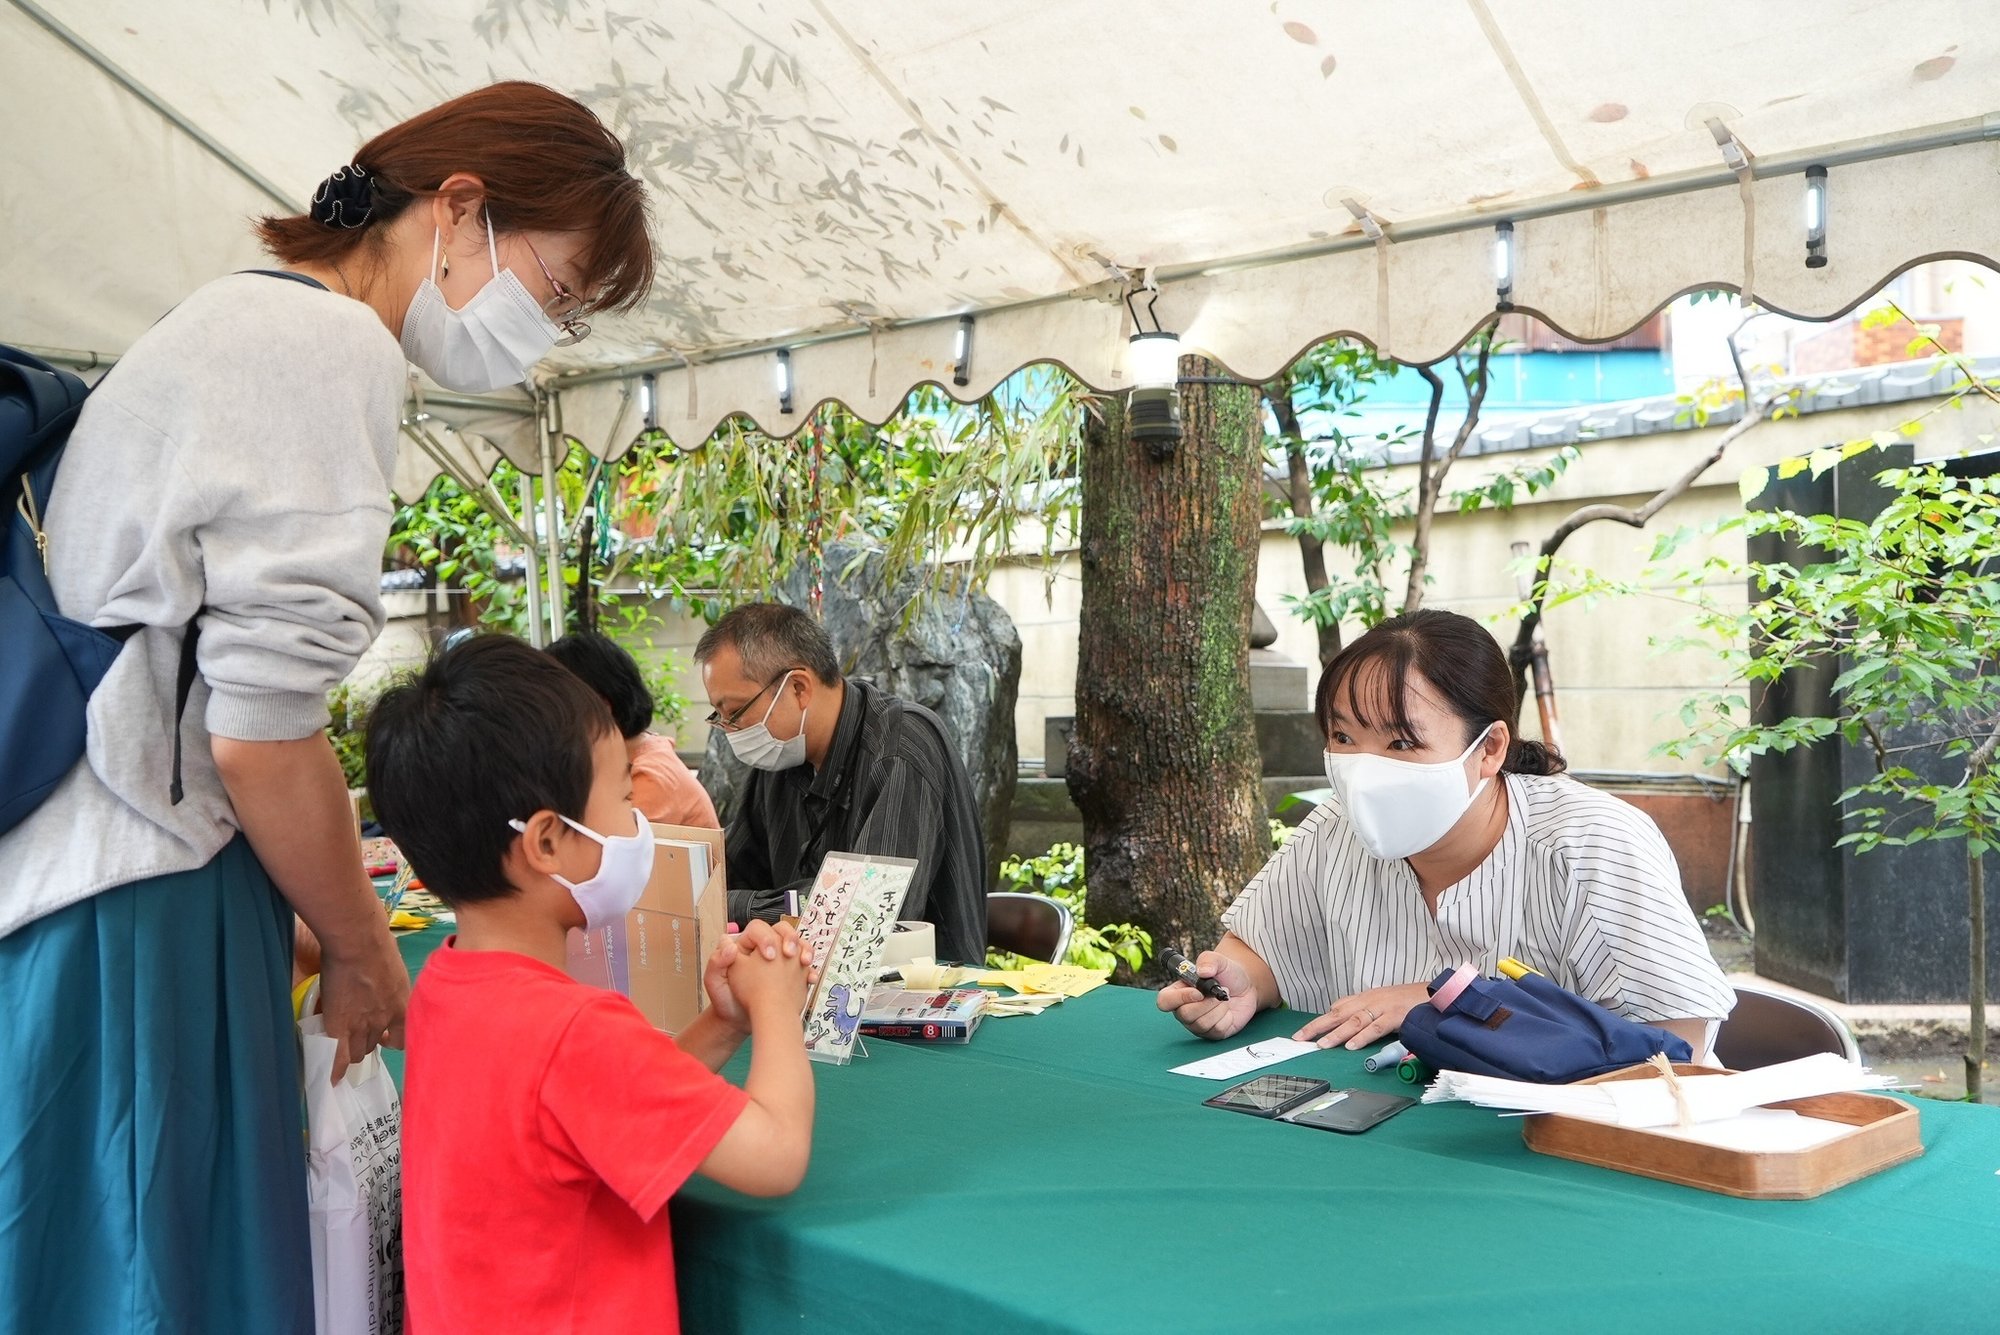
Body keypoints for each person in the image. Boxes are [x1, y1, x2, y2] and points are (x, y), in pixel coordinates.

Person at [0, 82, 655, 1334]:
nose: (547, 336)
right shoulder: (326, 344)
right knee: (148, 1276)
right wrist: (360, 950)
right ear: (458, 209)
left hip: (93, 886)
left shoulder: (230, 319)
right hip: (139, 903)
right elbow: (260, 730)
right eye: (557, 293)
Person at [366, 636, 813, 1332]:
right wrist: (779, 1002)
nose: (637, 822)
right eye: (620, 794)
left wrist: (724, 1022)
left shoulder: (446, 984)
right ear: (548, 841)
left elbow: (604, 1110)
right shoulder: (574, 1029)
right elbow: (776, 1153)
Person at [1159, 609, 1733, 1056]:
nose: (1364, 770)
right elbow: (1258, 954)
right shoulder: (1335, 829)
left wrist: (1458, 1004)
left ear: (1491, 750)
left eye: (1402, 743)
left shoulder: (1594, 844)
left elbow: (1679, 1042)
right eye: (1343, 737)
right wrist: (1236, 990)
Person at [694, 602, 989, 965]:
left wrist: (735, 907)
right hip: (804, 985)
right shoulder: (781, 758)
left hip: (917, 998)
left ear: (799, 688)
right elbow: (729, 874)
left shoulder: (900, 749)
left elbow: (867, 914)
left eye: (735, 712)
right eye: (718, 716)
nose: (729, 730)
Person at [547, 631, 720, 828]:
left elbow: (604, 851)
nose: (547, 722)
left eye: (554, 706)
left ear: (602, 708)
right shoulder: (630, 759)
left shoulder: (650, 777)